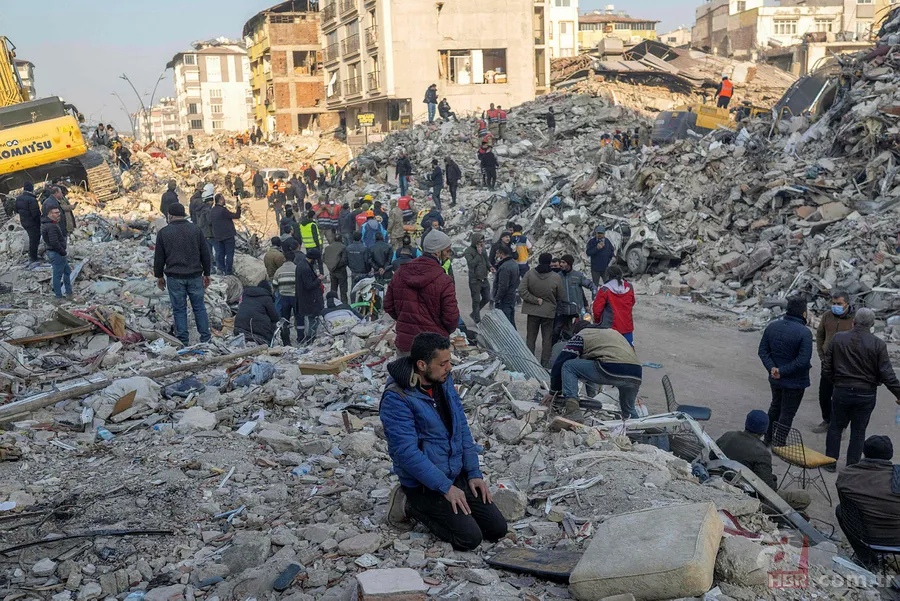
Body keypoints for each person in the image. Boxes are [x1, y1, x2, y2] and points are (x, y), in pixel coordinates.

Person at [381, 332, 507, 549]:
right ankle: (408, 505)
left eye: (449, 361)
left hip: (454, 473)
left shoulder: (443, 381)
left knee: (497, 529)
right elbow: (406, 453)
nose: (449, 367)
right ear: (422, 364)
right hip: (423, 484)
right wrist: (445, 487)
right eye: (443, 363)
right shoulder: (397, 397)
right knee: (469, 539)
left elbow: (461, 428)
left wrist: (474, 473)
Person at [823, 308, 900, 469]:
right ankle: (852, 466)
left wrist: (837, 382)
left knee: (836, 426)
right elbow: (887, 374)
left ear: (854, 322)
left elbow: (826, 367)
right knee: (858, 431)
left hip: (842, 391)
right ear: (872, 324)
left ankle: (829, 463)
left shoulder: (838, 339)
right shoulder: (878, 344)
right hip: (866, 394)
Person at [543, 322, 642, 421]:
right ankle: (638, 430)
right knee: (628, 411)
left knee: (568, 366)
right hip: (635, 372)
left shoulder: (581, 335)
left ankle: (572, 410)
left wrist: (553, 391)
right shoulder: (612, 333)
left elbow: (560, 362)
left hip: (611, 367)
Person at [716, 411, 811, 511]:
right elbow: (767, 489)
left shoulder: (727, 436)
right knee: (804, 497)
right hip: (748, 497)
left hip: (721, 482)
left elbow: (712, 456)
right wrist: (773, 479)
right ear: (764, 431)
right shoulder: (762, 452)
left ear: (746, 423)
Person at [385, 230, 460, 356]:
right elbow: (451, 319)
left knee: (406, 376)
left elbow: (388, 306)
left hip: (406, 346)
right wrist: (441, 331)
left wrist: (405, 321)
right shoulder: (444, 280)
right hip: (434, 349)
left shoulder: (400, 273)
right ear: (437, 252)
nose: (448, 256)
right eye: (447, 251)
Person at [835, 436, 900, 567]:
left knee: (841, 510)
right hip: (897, 539)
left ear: (864, 452)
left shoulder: (847, 475)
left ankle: (866, 559)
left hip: (867, 537)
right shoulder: (897, 474)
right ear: (890, 455)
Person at [153, 204, 212, 346]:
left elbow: (159, 257)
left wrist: (159, 276)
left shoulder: (164, 233)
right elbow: (205, 253)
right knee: (199, 307)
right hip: (195, 276)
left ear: (170, 216)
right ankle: (206, 338)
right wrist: (207, 273)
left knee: (179, 309)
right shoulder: (195, 230)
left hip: (175, 278)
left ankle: (183, 341)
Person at [757, 297, 813, 446]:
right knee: (787, 413)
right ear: (804, 313)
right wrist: (782, 371)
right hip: (795, 381)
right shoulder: (804, 333)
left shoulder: (772, 326)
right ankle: (779, 442)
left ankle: (767, 438)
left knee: (775, 406)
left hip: (775, 378)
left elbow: (763, 351)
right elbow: (803, 361)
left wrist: (773, 369)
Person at [813, 291, 855, 434]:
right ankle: (827, 420)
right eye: (834, 303)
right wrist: (821, 354)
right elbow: (820, 335)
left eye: (839, 304)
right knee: (824, 394)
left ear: (847, 304)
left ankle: (841, 426)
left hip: (846, 365)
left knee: (842, 396)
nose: (835, 306)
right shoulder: (827, 316)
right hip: (827, 362)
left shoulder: (855, 319)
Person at [520, 253, 566, 368]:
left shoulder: (530, 274)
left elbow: (522, 290)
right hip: (548, 313)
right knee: (547, 339)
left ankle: (528, 362)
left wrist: (534, 300)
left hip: (532, 311)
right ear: (550, 262)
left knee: (531, 337)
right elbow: (561, 295)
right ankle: (545, 364)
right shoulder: (556, 277)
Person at [556, 254, 598, 343]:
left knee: (583, 330)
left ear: (569, 264)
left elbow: (591, 285)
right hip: (562, 310)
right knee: (556, 331)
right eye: (560, 262)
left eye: (563, 262)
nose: (561, 264)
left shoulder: (578, 275)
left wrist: (594, 296)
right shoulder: (557, 276)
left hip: (578, 310)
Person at [591, 265, 635, 345]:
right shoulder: (629, 287)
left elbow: (597, 310)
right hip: (627, 328)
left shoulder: (604, 289)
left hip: (610, 329)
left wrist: (597, 322)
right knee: (629, 352)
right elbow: (632, 303)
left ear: (607, 275)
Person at [234, 281, 280, 345]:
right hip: (257, 332)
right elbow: (275, 317)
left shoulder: (246, 295)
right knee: (275, 324)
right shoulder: (267, 297)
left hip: (238, 328)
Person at [41, 207, 72, 299]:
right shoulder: (51, 226)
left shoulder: (51, 223)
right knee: (57, 275)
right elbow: (54, 242)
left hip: (57, 252)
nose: (58, 214)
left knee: (67, 271)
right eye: (55, 213)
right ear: (50, 214)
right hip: (56, 253)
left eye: (58, 212)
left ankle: (68, 291)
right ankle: (58, 296)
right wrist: (62, 252)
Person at [295, 248, 325, 343]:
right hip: (310, 299)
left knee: (311, 318)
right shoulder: (305, 268)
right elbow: (308, 285)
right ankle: (310, 338)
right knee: (313, 318)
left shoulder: (302, 264)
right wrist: (319, 279)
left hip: (305, 297)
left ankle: (309, 337)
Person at [210, 194, 241, 276]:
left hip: (218, 236)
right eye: (223, 199)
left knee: (221, 253)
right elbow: (236, 216)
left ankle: (221, 269)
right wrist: (239, 208)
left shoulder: (212, 210)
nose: (224, 200)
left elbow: (210, 223)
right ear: (220, 200)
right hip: (228, 236)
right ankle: (228, 272)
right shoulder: (223, 210)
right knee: (229, 254)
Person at [464, 233, 491, 324]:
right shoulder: (468, 251)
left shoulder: (483, 250)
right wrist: (478, 254)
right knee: (475, 300)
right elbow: (471, 264)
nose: (481, 244)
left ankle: (474, 313)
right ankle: (477, 319)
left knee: (487, 297)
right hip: (474, 279)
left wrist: (490, 267)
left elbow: (487, 261)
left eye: (482, 242)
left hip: (484, 278)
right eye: (479, 242)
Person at [272, 249, 298, 346]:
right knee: (298, 317)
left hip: (284, 297)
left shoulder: (279, 271)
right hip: (295, 297)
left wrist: (273, 296)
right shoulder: (297, 268)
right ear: (294, 259)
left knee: (284, 319)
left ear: (284, 259)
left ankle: (286, 341)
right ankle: (300, 338)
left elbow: (274, 285)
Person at [492, 244, 519, 326]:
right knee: (510, 321)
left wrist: (497, 299)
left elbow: (503, 286)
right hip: (511, 296)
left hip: (504, 299)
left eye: (497, 254)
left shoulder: (504, 267)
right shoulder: (514, 264)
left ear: (501, 254)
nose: (496, 256)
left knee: (505, 324)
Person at [16, 182, 41, 262]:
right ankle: (33, 257)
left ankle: (32, 255)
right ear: (31, 189)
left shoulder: (18, 198)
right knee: (35, 239)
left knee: (32, 238)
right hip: (33, 223)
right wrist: (39, 223)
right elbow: (35, 214)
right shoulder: (32, 199)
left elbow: (17, 210)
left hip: (24, 222)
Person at [323, 237, 350, 305]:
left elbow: (323, 258)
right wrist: (337, 265)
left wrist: (331, 265)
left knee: (333, 288)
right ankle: (344, 304)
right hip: (341, 271)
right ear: (342, 240)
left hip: (332, 271)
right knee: (343, 290)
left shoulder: (328, 247)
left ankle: (333, 303)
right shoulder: (343, 247)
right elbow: (344, 260)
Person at [194, 195, 217, 273]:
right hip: (210, 234)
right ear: (209, 201)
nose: (213, 202)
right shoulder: (207, 210)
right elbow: (210, 221)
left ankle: (210, 268)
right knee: (219, 250)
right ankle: (219, 267)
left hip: (203, 234)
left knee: (208, 252)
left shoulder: (199, 210)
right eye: (212, 201)